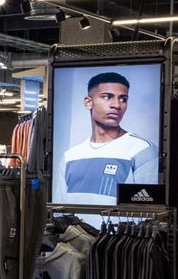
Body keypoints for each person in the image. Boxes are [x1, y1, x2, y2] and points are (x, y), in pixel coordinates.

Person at [60, 70, 158, 204]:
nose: (116, 105)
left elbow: (149, 207)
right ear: (88, 102)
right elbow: (60, 207)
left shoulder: (142, 150)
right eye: (107, 97)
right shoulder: (70, 156)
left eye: (123, 99)